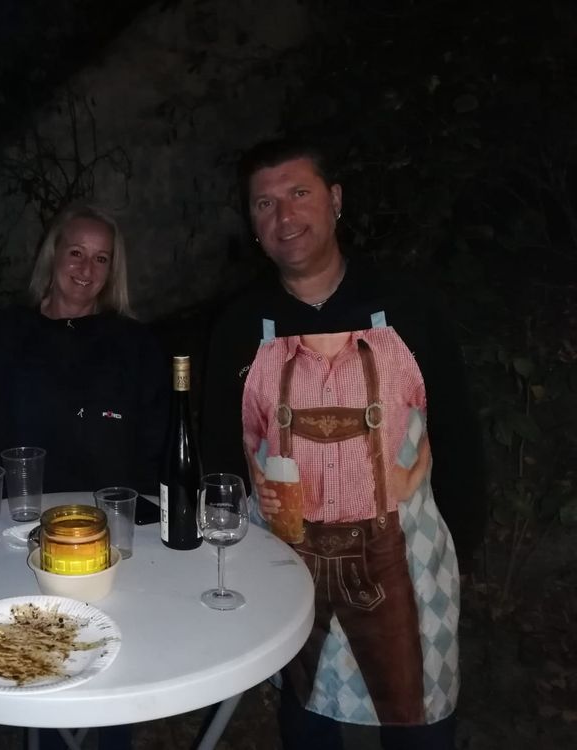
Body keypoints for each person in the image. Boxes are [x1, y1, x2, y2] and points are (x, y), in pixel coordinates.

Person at [202, 138, 486, 749]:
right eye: (264, 203)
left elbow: (458, 433)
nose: (284, 215)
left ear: (335, 201)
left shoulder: (409, 306)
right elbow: (221, 454)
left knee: (419, 721)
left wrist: (464, 541)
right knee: (308, 719)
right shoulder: (238, 327)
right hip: (289, 566)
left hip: (408, 560)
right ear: (253, 225)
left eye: (299, 193)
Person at [0, 203, 168, 748]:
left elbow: (158, 440)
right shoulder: (0, 337)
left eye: (102, 258)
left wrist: (149, 519)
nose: (87, 269)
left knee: (111, 669)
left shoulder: (134, 344)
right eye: (76, 252)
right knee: (40, 663)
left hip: (110, 540)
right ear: (52, 255)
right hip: (19, 537)